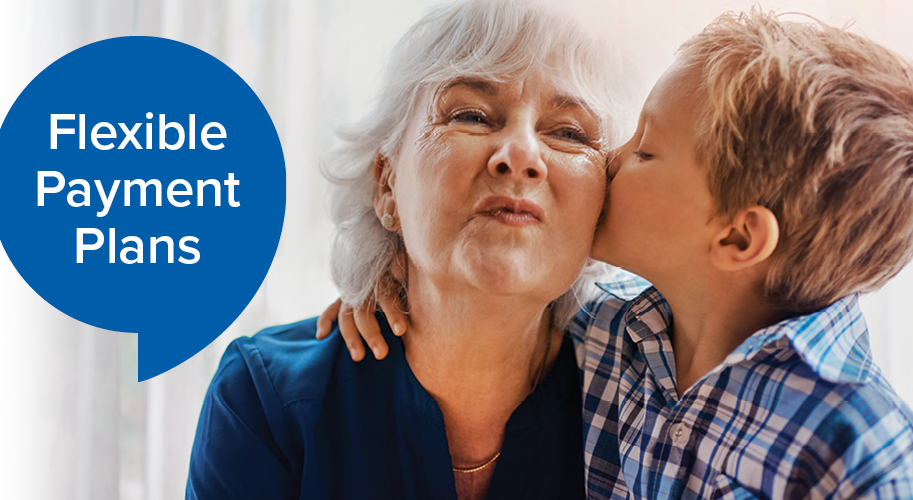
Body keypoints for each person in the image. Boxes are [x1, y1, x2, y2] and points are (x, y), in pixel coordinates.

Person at [326, 8, 913, 499]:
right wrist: (390, 278)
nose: (608, 161)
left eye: (645, 149)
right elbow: (489, 299)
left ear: (736, 238)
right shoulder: (614, 333)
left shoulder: (861, 446)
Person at [185, 1, 638, 499]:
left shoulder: (644, 404)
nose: (521, 156)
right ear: (386, 184)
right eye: (472, 115)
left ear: (602, 209)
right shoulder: (265, 400)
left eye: (569, 133)